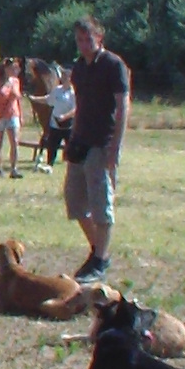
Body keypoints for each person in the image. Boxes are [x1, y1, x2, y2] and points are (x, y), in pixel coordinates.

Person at [65, 17, 129, 284]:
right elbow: (80, 104)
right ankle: (98, 252)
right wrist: (71, 137)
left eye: (88, 38)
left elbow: (123, 105)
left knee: (101, 203)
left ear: (99, 38)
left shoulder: (113, 65)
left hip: (102, 142)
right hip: (80, 140)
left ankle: (100, 260)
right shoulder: (79, 69)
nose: (83, 44)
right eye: (79, 39)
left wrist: (115, 146)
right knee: (75, 201)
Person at [29, 63, 75, 173]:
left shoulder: (73, 93)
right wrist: (34, 99)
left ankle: (73, 167)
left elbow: (75, 109)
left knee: (71, 147)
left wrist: (65, 116)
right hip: (55, 123)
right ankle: (49, 165)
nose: (63, 79)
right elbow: (48, 100)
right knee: (52, 145)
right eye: (62, 77)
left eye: (66, 77)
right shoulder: (57, 90)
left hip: (68, 124)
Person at [0, 57, 24, 178]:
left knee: (14, 142)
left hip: (13, 114)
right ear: (5, 69)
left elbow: (18, 99)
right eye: (11, 68)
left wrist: (21, 115)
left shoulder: (16, 81)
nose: (14, 70)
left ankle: (14, 169)